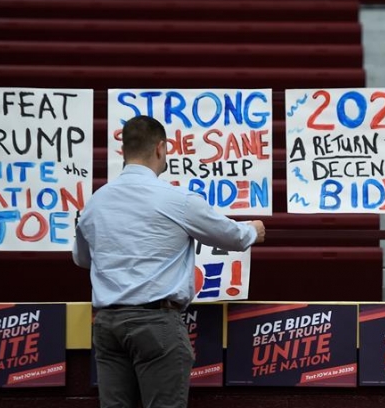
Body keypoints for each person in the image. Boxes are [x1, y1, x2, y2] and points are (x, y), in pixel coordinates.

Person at [73, 115, 265, 408]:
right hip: (156, 323)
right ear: (161, 148)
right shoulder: (176, 199)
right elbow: (233, 237)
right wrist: (254, 230)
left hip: (108, 324)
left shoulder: (95, 203)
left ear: (123, 150)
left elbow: (82, 259)